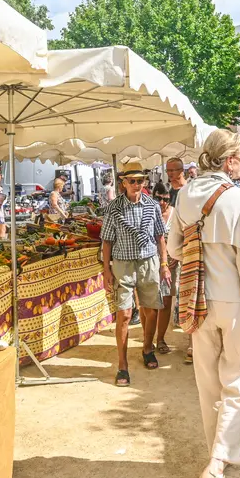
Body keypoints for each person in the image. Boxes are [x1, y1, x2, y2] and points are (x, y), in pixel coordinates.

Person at [168, 129, 240, 478]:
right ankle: (217, 465)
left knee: (208, 383)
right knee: (239, 380)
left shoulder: (184, 194)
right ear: (228, 161)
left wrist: (201, 252)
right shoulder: (237, 198)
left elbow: (174, 248)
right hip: (235, 301)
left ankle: (216, 457)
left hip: (197, 299)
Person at [101, 162, 171, 387]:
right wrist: (106, 270)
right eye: (132, 181)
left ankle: (148, 348)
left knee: (150, 311)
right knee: (124, 313)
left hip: (148, 262)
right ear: (123, 183)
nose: (136, 184)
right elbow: (107, 241)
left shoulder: (152, 205)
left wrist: (164, 264)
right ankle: (122, 365)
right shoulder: (114, 208)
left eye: (140, 180)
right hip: (123, 264)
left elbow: (160, 237)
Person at [152, 182, 181, 355]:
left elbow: (181, 237)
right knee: (150, 303)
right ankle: (149, 339)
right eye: (158, 198)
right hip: (149, 262)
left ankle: (160, 338)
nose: (162, 202)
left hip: (170, 264)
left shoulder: (175, 214)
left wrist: (175, 259)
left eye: (165, 199)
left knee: (166, 302)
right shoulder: (150, 212)